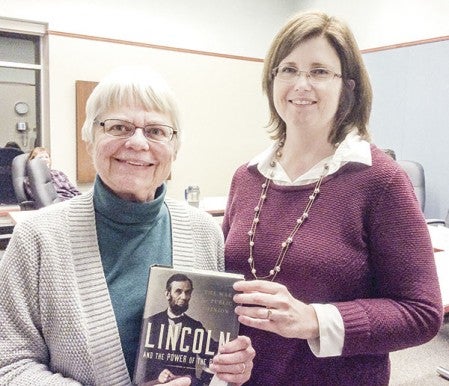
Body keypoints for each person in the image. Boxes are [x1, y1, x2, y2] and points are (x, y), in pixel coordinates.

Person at [223, 10, 443, 385]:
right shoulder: (246, 177)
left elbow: (422, 312)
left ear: (349, 87)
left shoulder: (381, 180)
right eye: (288, 69)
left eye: (320, 71)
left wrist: (313, 320)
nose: (301, 84)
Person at [0, 66, 254, 386]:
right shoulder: (37, 238)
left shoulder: (205, 232)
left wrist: (232, 367)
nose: (137, 143)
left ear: (174, 147)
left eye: (156, 131)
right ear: (90, 138)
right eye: (119, 126)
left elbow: (209, 358)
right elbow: (9, 364)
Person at [136, 274, 219, 385]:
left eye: (187, 292)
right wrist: (158, 374)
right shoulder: (150, 323)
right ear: (167, 294)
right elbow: (139, 365)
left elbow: (215, 358)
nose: (184, 297)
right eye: (178, 291)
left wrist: (191, 381)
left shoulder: (195, 326)